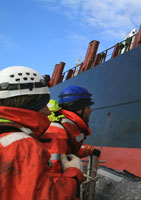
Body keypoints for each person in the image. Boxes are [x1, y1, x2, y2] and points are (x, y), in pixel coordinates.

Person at [0, 66, 83, 199]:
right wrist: (74, 174)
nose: (48, 111)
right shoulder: (22, 145)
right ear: (30, 104)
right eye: (44, 104)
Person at [40, 85, 99, 178]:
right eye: (88, 106)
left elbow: (66, 152)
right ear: (79, 109)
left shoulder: (68, 127)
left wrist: (89, 150)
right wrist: (74, 176)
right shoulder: (58, 133)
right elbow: (52, 177)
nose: (91, 110)